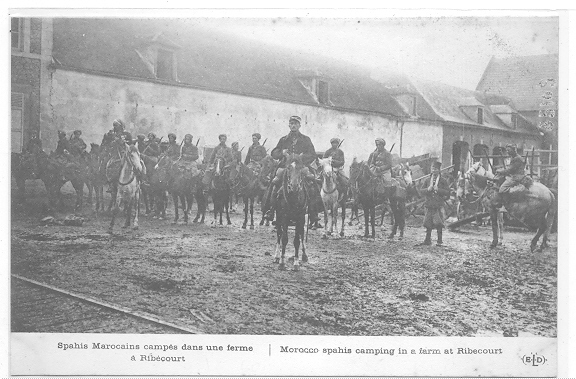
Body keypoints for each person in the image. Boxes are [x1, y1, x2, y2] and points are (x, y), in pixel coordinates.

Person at [263, 115, 321, 223]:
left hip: (301, 167)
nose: (293, 125)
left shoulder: (306, 139)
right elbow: (274, 153)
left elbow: (312, 154)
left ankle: (314, 213)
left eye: (296, 123)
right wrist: (282, 153)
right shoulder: (283, 139)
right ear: (289, 125)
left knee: (312, 183)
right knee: (275, 182)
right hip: (286, 167)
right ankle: (271, 210)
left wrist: (302, 157)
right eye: (292, 123)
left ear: (299, 125)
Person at [417, 161, 450, 246]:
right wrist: (428, 189)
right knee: (428, 222)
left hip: (438, 205)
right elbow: (421, 191)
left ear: (439, 170)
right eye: (432, 168)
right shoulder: (427, 180)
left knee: (439, 222)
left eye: (435, 169)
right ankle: (427, 240)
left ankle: (439, 241)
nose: (434, 170)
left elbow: (447, 192)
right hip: (429, 204)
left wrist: (438, 190)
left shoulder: (443, 181)